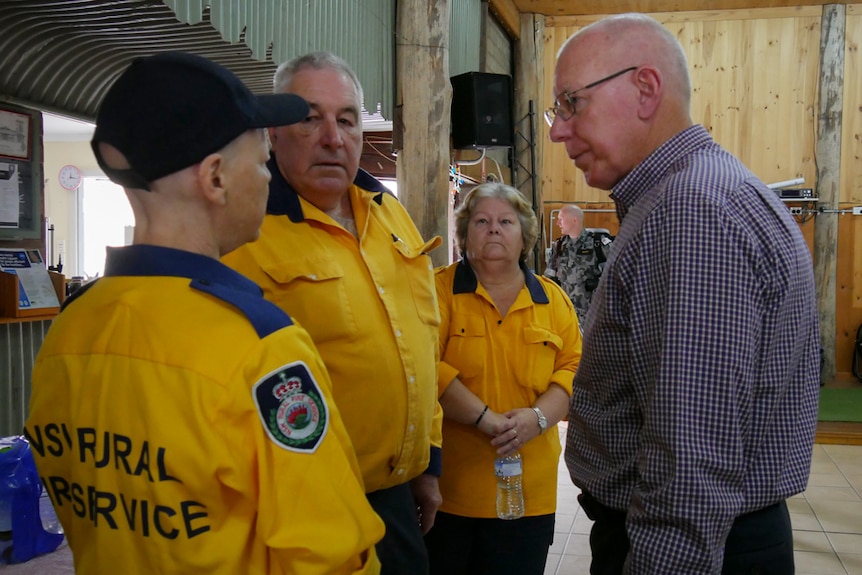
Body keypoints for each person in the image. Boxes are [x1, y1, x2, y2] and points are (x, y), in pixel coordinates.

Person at [23, 51, 384, 575]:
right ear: (215, 179)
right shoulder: (260, 349)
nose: (266, 181)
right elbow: (331, 555)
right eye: (261, 163)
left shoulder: (72, 328)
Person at [546, 13, 820, 575]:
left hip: (705, 546)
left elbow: (691, 464)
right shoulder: (694, 192)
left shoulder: (691, 211)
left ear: (645, 88)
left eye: (571, 103)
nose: (556, 131)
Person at [221, 51, 443, 575]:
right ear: (273, 133)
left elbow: (422, 345)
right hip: (300, 508)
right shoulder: (241, 232)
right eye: (308, 118)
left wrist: (427, 463)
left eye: (346, 120)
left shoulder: (390, 215)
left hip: (396, 498)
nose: (332, 137)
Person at [423, 182, 582, 575]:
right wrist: (485, 420)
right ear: (463, 235)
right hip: (450, 496)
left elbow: (574, 368)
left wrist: (539, 419)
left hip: (528, 498)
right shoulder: (435, 293)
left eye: (505, 221)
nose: (494, 229)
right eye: (481, 221)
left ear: (525, 235)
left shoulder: (553, 299)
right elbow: (423, 367)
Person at [543, 204, 611, 325]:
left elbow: (617, 271)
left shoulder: (598, 243)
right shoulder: (559, 246)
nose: (558, 223)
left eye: (561, 219)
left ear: (574, 220)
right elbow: (549, 278)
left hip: (593, 315)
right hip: (565, 312)